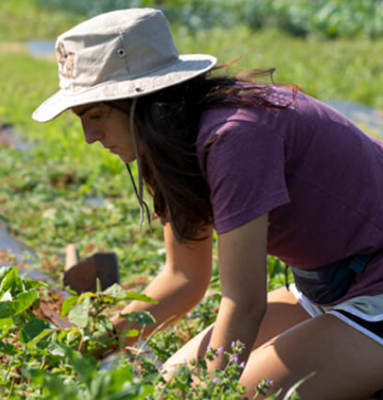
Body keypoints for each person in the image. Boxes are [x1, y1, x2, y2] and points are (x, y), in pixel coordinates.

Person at [32, 8, 383, 399]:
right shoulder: (175, 145)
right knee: (171, 384)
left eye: (96, 114)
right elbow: (183, 278)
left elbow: (245, 303)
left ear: (144, 99)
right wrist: (98, 343)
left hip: (376, 285)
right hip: (329, 287)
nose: (89, 136)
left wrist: (209, 392)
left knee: (210, 394)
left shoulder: (235, 138)